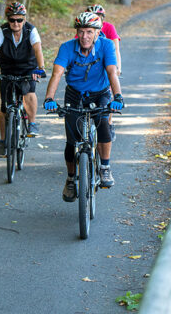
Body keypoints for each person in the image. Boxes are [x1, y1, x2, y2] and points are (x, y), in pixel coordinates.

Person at [43, 11, 124, 202]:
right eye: (81, 31)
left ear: (97, 32)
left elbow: (112, 72)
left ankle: (104, 167)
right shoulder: (67, 48)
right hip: (75, 94)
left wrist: (118, 96)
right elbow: (57, 74)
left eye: (89, 31)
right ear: (76, 33)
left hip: (100, 92)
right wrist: (49, 98)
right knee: (71, 140)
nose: (84, 36)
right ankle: (71, 179)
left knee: (103, 123)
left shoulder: (107, 45)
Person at [0, 2, 46, 155]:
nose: (15, 23)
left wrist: (40, 67)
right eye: (12, 20)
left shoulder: (31, 30)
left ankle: (32, 123)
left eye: (19, 20)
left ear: (24, 19)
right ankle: (3, 141)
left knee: (29, 92)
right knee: (4, 107)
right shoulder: (3, 30)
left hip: (28, 69)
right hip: (8, 69)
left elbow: (37, 48)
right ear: (8, 20)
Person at [86, 4, 121, 75]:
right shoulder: (84, 30)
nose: (94, 18)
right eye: (92, 16)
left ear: (102, 17)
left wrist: (118, 68)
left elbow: (116, 49)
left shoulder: (109, 27)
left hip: (105, 58)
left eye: (98, 16)